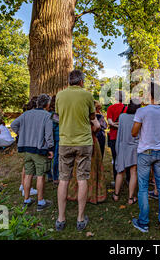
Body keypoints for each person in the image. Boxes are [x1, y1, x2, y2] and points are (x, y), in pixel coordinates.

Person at [55, 70, 95, 232]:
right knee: (82, 178)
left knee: (63, 179)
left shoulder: (59, 95)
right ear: (81, 81)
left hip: (65, 142)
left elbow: (57, 116)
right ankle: (80, 219)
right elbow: (92, 117)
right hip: (84, 142)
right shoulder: (87, 96)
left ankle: (61, 219)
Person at [131, 82, 160, 233]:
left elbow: (134, 132)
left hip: (145, 152)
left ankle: (144, 222)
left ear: (149, 95)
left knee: (143, 188)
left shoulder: (142, 111)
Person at [11, 94, 54, 211]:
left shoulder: (26, 114)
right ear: (47, 104)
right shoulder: (47, 116)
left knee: (28, 174)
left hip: (26, 148)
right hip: (40, 149)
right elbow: (48, 134)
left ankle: (26, 199)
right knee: (40, 175)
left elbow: (13, 124)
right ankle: (41, 201)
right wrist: (50, 148)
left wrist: (21, 134)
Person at [68, 118, 107, 204]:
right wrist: (91, 130)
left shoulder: (73, 112)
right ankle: (90, 194)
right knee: (91, 167)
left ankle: (75, 193)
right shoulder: (89, 111)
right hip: (89, 141)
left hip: (76, 141)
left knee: (77, 167)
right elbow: (97, 126)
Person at [113, 100, 140, 204]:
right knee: (133, 173)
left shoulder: (122, 117)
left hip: (123, 146)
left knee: (120, 172)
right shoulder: (139, 118)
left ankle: (116, 195)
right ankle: (130, 198)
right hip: (134, 147)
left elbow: (120, 132)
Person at [18, 97, 38, 197]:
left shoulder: (25, 115)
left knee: (26, 166)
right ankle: (27, 189)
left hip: (25, 142)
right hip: (31, 143)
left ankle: (23, 185)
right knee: (30, 169)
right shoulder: (31, 116)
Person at [107, 91, 127, 182]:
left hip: (113, 137)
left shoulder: (110, 108)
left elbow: (110, 122)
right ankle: (128, 179)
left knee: (115, 158)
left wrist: (115, 124)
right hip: (124, 137)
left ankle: (116, 180)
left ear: (115, 98)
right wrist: (121, 125)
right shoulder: (126, 108)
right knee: (126, 158)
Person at [47, 95, 60, 184]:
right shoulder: (55, 114)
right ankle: (55, 177)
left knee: (49, 156)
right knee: (56, 157)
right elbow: (54, 126)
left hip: (49, 137)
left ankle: (49, 175)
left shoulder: (48, 113)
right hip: (57, 136)